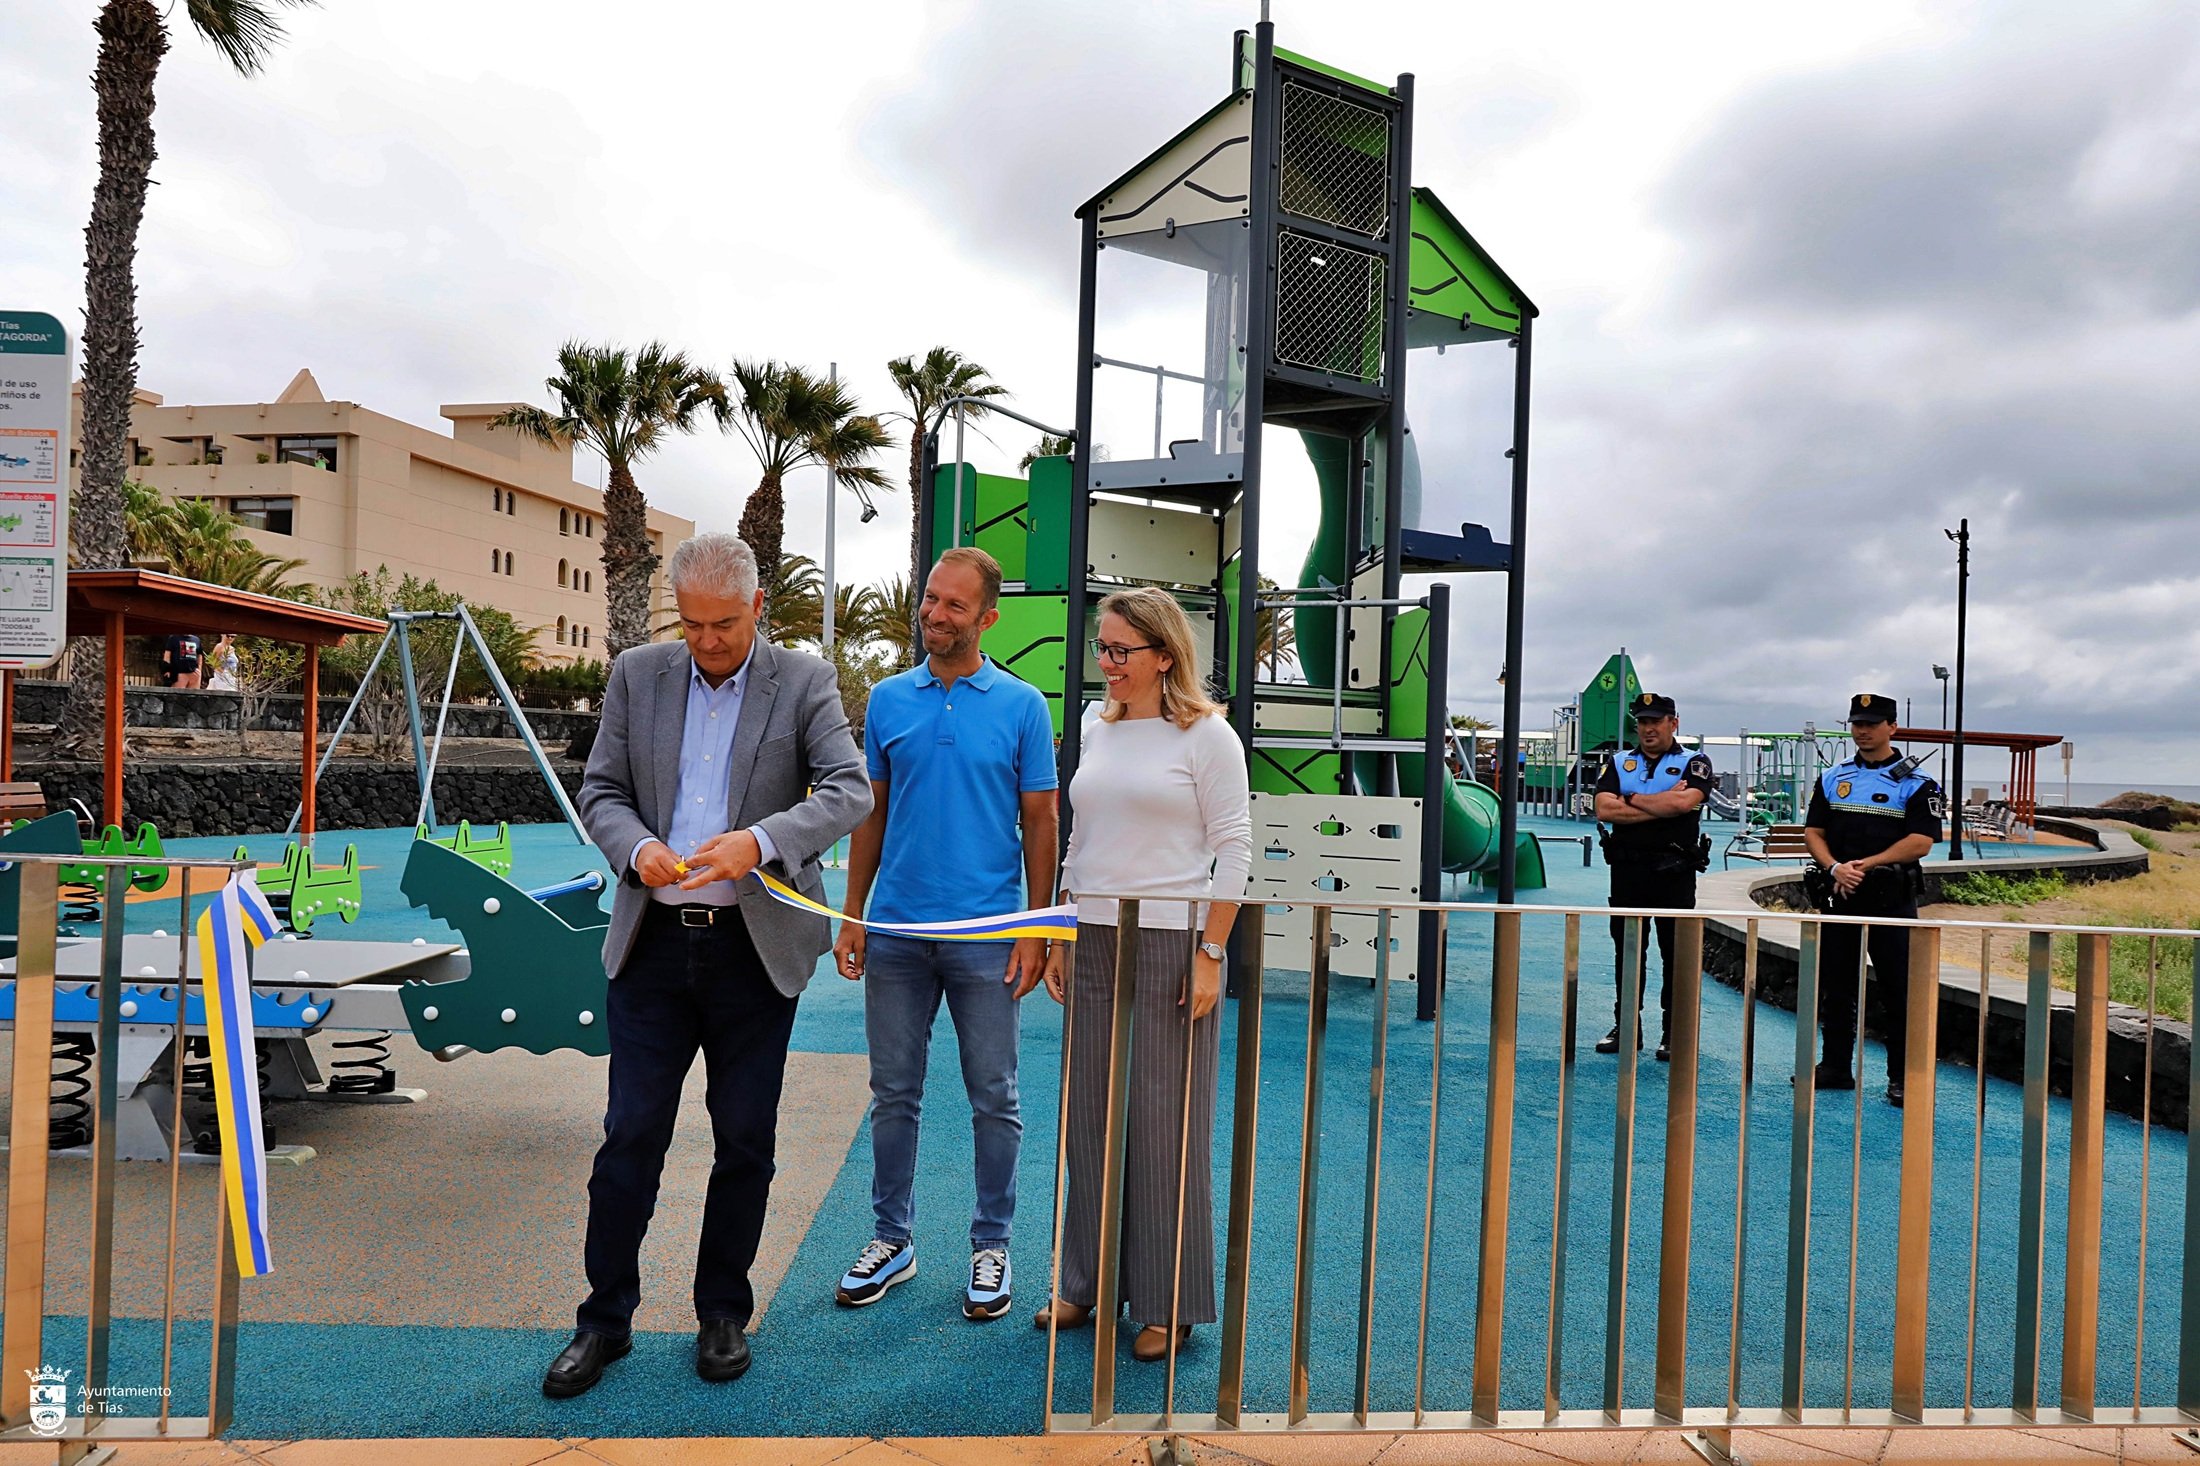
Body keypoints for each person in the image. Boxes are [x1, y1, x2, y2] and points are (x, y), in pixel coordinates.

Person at [545, 533, 870, 1398]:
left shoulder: (803, 681)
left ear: (758, 607)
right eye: (691, 625)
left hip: (752, 957)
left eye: (723, 624)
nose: (708, 641)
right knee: (630, 1138)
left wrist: (760, 842)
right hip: (651, 948)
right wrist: (638, 847)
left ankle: (722, 1312)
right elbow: (600, 792)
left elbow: (849, 789)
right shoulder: (637, 674)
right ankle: (602, 1321)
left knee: (745, 1143)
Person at [831, 547, 1059, 1321]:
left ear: (987, 617)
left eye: (953, 605)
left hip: (989, 937)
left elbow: (1041, 822)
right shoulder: (890, 701)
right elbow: (870, 814)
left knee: (994, 1097)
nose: (933, 613)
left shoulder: (1025, 706)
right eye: (930, 598)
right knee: (893, 1094)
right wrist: (855, 913)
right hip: (894, 933)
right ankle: (892, 1239)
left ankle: (991, 1246)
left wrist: (1037, 929)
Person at [1036, 586, 1252, 1362]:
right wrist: (1061, 930)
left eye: (1121, 650)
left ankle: (1168, 1302)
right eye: (1102, 647)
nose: (1107, 662)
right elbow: (1081, 837)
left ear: (1165, 655)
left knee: (1165, 1127)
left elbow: (1236, 846)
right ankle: (1086, 1283)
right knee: (1088, 1119)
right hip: (1092, 936)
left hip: (1173, 944)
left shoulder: (1207, 736)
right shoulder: (1097, 725)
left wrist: (1211, 952)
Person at [1803, 692, 1942, 1108]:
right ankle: (1834, 1067)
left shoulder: (1918, 783)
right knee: (1837, 987)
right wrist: (1834, 868)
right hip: (1841, 894)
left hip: (1890, 899)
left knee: (1899, 990)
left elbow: (1921, 842)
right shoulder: (1833, 777)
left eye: (1872, 723)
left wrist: (1864, 864)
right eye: (1856, 723)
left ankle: (1902, 1078)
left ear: (1892, 727)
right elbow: (1814, 832)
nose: (1862, 731)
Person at [1591, 692, 1714, 1061]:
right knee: (1628, 952)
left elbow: (1683, 803)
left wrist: (1627, 800)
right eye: (1642, 721)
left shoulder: (1695, 762)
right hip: (1627, 872)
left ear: (1673, 723)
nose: (1648, 728)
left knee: (1675, 954)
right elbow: (1601, 809)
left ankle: (1674, 1032)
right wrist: (1658, 804)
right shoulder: (1619, 761)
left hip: (1673, 873)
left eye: (1656, 721)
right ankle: (1627, 1026)